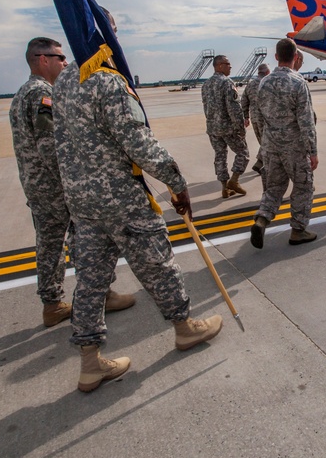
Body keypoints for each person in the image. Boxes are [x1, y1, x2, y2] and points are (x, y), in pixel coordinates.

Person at [53, 60, 222, 393]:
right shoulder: (107, 80)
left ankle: (90, 364)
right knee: (158, 267)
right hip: (120, 199)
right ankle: (186, 328)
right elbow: (137, 141)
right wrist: (176, 182)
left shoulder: (63, 82)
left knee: (90, 282)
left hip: (82, 201)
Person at [9, 37, 134, 328]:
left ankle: (52, 304)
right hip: (55, 186)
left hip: (38, 185)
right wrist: (77, 180)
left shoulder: (23, 93)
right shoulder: (42, 94)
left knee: (49, 245)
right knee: (88, 241)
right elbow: (51, 147)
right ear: (42, 60)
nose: (66, 63)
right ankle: (100, 294)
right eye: (60, 58)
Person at [250, 38, 319, 248]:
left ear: (277, 57)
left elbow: (259, 117)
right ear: (296, 57)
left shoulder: (264, 82)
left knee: (273, 186)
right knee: (303, 185)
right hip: (294, 146)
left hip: (270, 145)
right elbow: (306, 120)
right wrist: (312, 150)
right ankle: (298, 230)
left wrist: (265, 144)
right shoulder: (298, 83)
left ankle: (262, 218)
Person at [201, 55, 249, 198]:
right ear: (219, 66)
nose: (230, 67)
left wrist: (211, 122)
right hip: (228, 128)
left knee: (220, 156)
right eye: (228, 64)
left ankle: (224, 188)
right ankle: (234, 181)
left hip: (212, 128)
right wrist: (240, 128)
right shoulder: (227, 83)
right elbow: (234, 109)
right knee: (243, 153)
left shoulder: (206, 85)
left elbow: (206, 108)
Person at [240, 62, 270, 174]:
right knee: (268, 142)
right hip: (266, 117)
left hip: (254, 118)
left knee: (263, 142)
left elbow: (244, 100)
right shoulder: (267, 82)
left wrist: (246, 116)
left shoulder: (251, 84)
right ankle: (262, 163)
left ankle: (261, 163)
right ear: (267, 72)